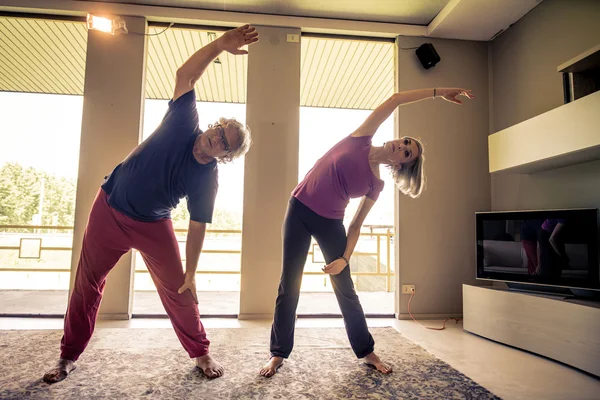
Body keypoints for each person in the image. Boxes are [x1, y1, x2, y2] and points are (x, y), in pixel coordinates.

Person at [43, 25, 258, 383]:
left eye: (225, 141)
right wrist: (221, 44)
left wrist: (191, 271)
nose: (216, 136)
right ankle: (67, 356)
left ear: (226, 155)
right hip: (109, 208)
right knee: (87, 283)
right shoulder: (182, 122)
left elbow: (198, 225)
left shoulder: (207, 178)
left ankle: (201, 353)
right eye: (219, 129)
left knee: (182, 290)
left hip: (153, 224)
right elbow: (185, 74)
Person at [260, 87, 475, 377]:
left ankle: (367, 351)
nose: (403, 145)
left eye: (408, 152)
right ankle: (278, 354)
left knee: (345, 289)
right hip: (298, 208)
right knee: (289, 284)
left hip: (330, 223)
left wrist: (345, 259)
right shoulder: (361, 137)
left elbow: (356, 224)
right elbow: (396, 99)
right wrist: (439, 92)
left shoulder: (377, 185)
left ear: (400, 164)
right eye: (406, 141)